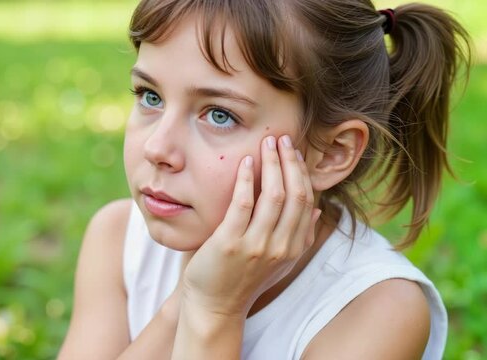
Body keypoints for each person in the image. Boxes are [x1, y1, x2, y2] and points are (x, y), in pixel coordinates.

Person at [58, 0, 470, 358]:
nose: (157, 149)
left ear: (331, 153)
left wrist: (214, 311)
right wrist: (185, 302)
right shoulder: (117, 239)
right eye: (150, 96)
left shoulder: (377, 308)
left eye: (220, 115)